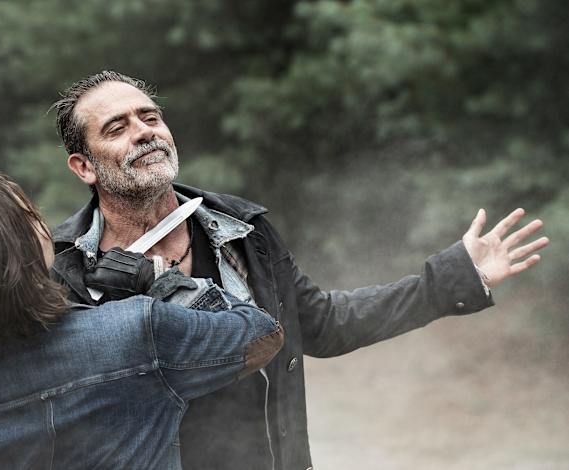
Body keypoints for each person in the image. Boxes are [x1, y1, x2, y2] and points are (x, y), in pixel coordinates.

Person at [50, 71, 549, 470]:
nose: (145, 132)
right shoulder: (64, 272)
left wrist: (457, 278)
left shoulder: (242, 230)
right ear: (84, 167)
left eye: (150, 117)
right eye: (117, 128)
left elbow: (322, 324)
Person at [0, 172, 284, 469]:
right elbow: (262, 334)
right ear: (29, 250)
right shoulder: (136, 330)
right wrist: (161, 281)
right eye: (32, 217)